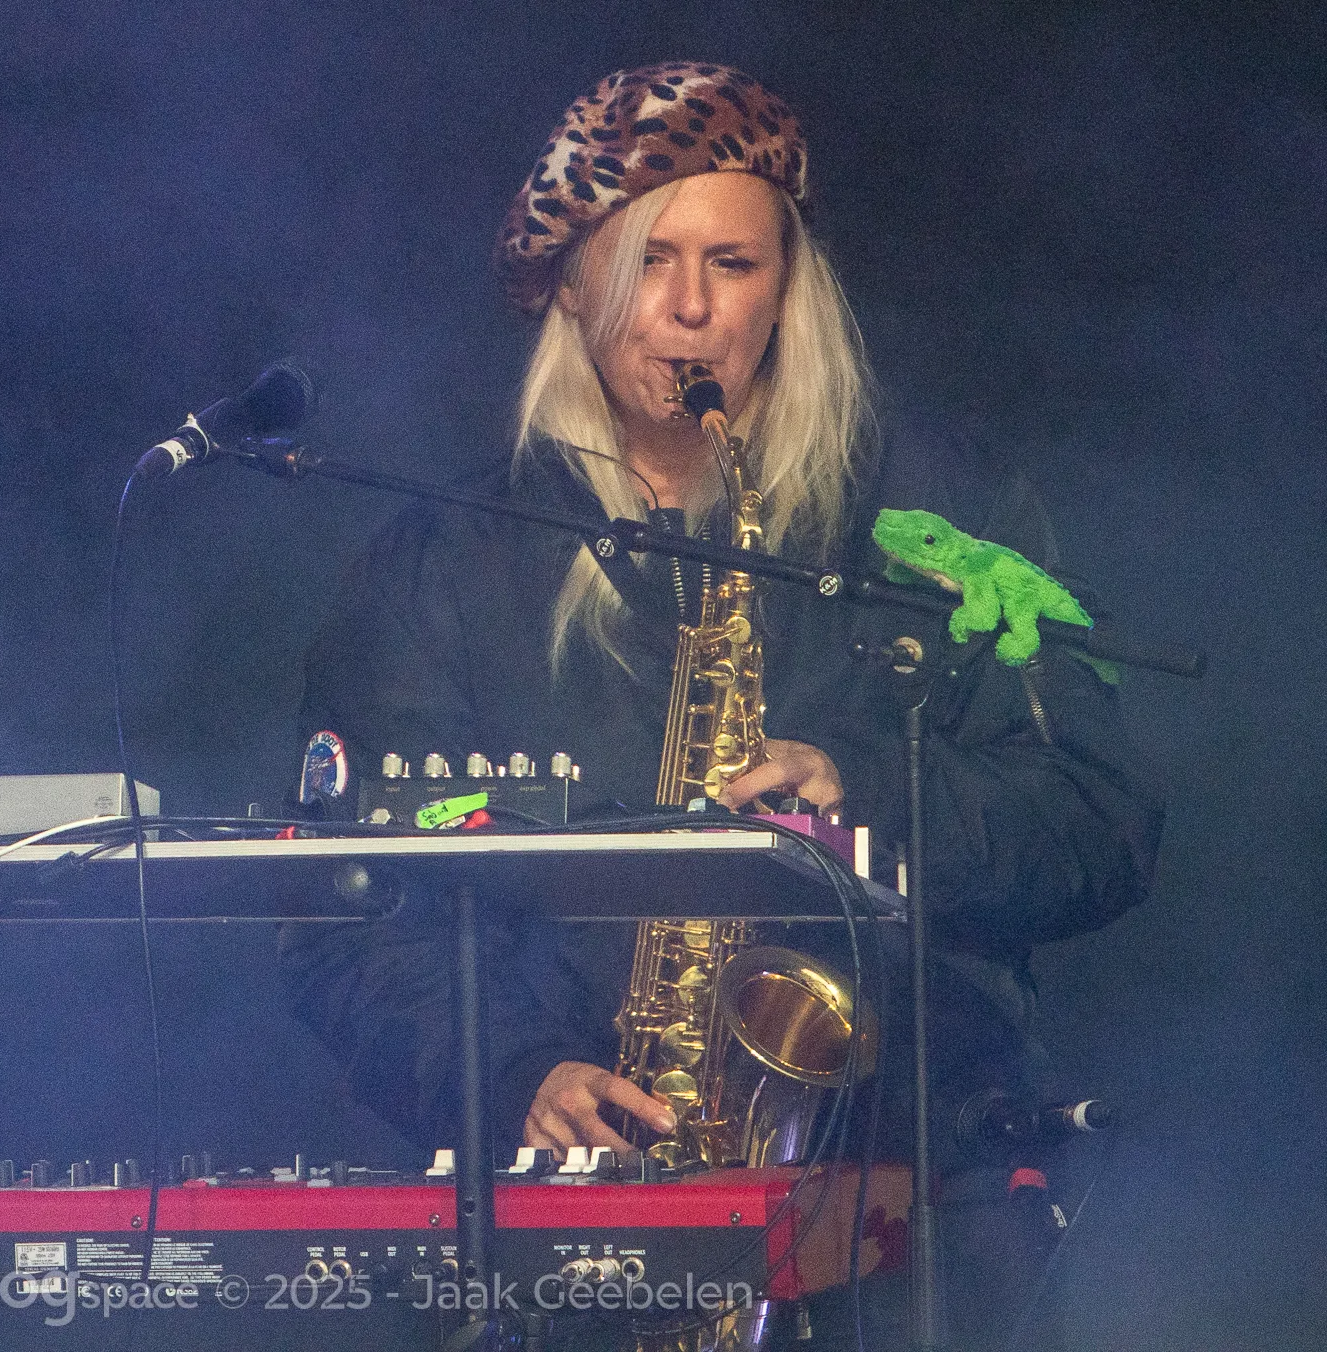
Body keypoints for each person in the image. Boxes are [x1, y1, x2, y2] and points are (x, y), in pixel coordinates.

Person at [279, 61, 1163, 1349]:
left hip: (921, 1223)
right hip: (574, 1238)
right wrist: (513, 1077)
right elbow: (341, 911)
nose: (691, 309)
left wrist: (870, 793)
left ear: (787, 288)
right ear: (571, 283)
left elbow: (1105, 822)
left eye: (733, 264)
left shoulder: (940, 533)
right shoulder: (441, 561)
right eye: (650, 260)